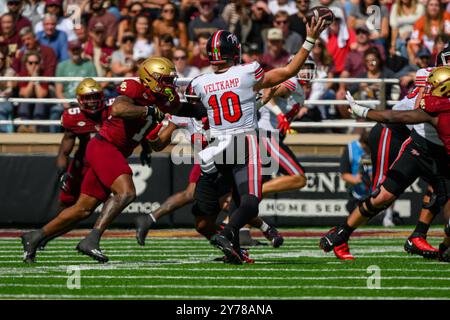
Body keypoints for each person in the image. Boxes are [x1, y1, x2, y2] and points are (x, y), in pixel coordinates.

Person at [189, 16, 327, 264]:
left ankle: (232, 241)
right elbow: (288, 71)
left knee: (205, 217)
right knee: (250, 202)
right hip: (245, 145)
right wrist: (310, 39)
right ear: (234, 52)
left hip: (216, 149)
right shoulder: (247, 72)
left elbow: (192, 112)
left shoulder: (199, 83)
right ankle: (231, 233)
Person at [20, 57, 178, 264]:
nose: (169, 85)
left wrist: (174, 125)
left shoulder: (164, 102)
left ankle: (34, 237)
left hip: (115, 151)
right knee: (126, 192)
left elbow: (156, 145)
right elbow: (118, 109)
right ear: (150, 79)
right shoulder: (135, 88)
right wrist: (146, 110)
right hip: (104, 146)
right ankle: (92, 239)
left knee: (83, 208)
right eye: (165, 80)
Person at [320, 66, 450, 262]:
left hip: (442, 156)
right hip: (413, 145)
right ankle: (342, 233)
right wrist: (362, 110)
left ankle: (434, 244)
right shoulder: (432, 104)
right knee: (382, 195)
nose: (428, 91)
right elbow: (398, 117)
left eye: (433, 87)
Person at [38, 79, 111, 250]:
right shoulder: (73, 117)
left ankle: (47, 237)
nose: (92, 101)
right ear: (79, 100)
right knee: (66, 204)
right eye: (88, 97)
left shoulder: (113, 110)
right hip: (82, 165)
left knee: (85, 210)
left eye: (95, 97)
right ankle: (45, 235)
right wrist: (62, 172)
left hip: (103, 165)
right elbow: (64, 151)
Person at [339, 131, 372, 216]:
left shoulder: (379, 148)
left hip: (375, 193)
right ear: (362, 143)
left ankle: (388, 217)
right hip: (357, 193)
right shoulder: (350, 149)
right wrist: (355, 180)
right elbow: (344, 174)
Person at [16, 50, 50, 133]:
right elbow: (25, 94)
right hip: (27, 103)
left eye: (36, 63)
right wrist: (32, 78)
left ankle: (35, 127)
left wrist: (36, 78)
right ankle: (24, 126)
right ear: (26, 64)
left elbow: (41, 95)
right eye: (30, 63)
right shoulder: (22, 74)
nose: (34, 65)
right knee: (25, 100)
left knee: (40, 101)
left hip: (40, 105)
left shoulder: (44, 74)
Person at [0, 46, 16, 133]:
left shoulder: (9, 71)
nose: (0, 61)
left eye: (2, 59)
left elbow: (9, 90)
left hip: (5, 101)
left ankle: (3, 134)